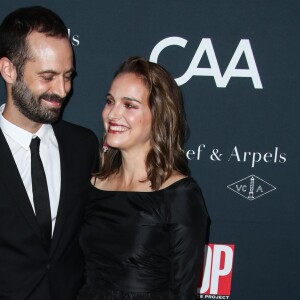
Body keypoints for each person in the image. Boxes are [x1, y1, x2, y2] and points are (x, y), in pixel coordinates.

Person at [78, 57, 209, 299]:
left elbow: (183, 293)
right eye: (110, 101)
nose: (113, 114)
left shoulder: (179, 195)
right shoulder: (91, 185)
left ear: (158, 115)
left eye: (129, 105)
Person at [0, 6, 99, 300]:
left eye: (68, 76)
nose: (63, 89)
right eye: (48, 76)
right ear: (8, 70)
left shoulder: (83, 146)